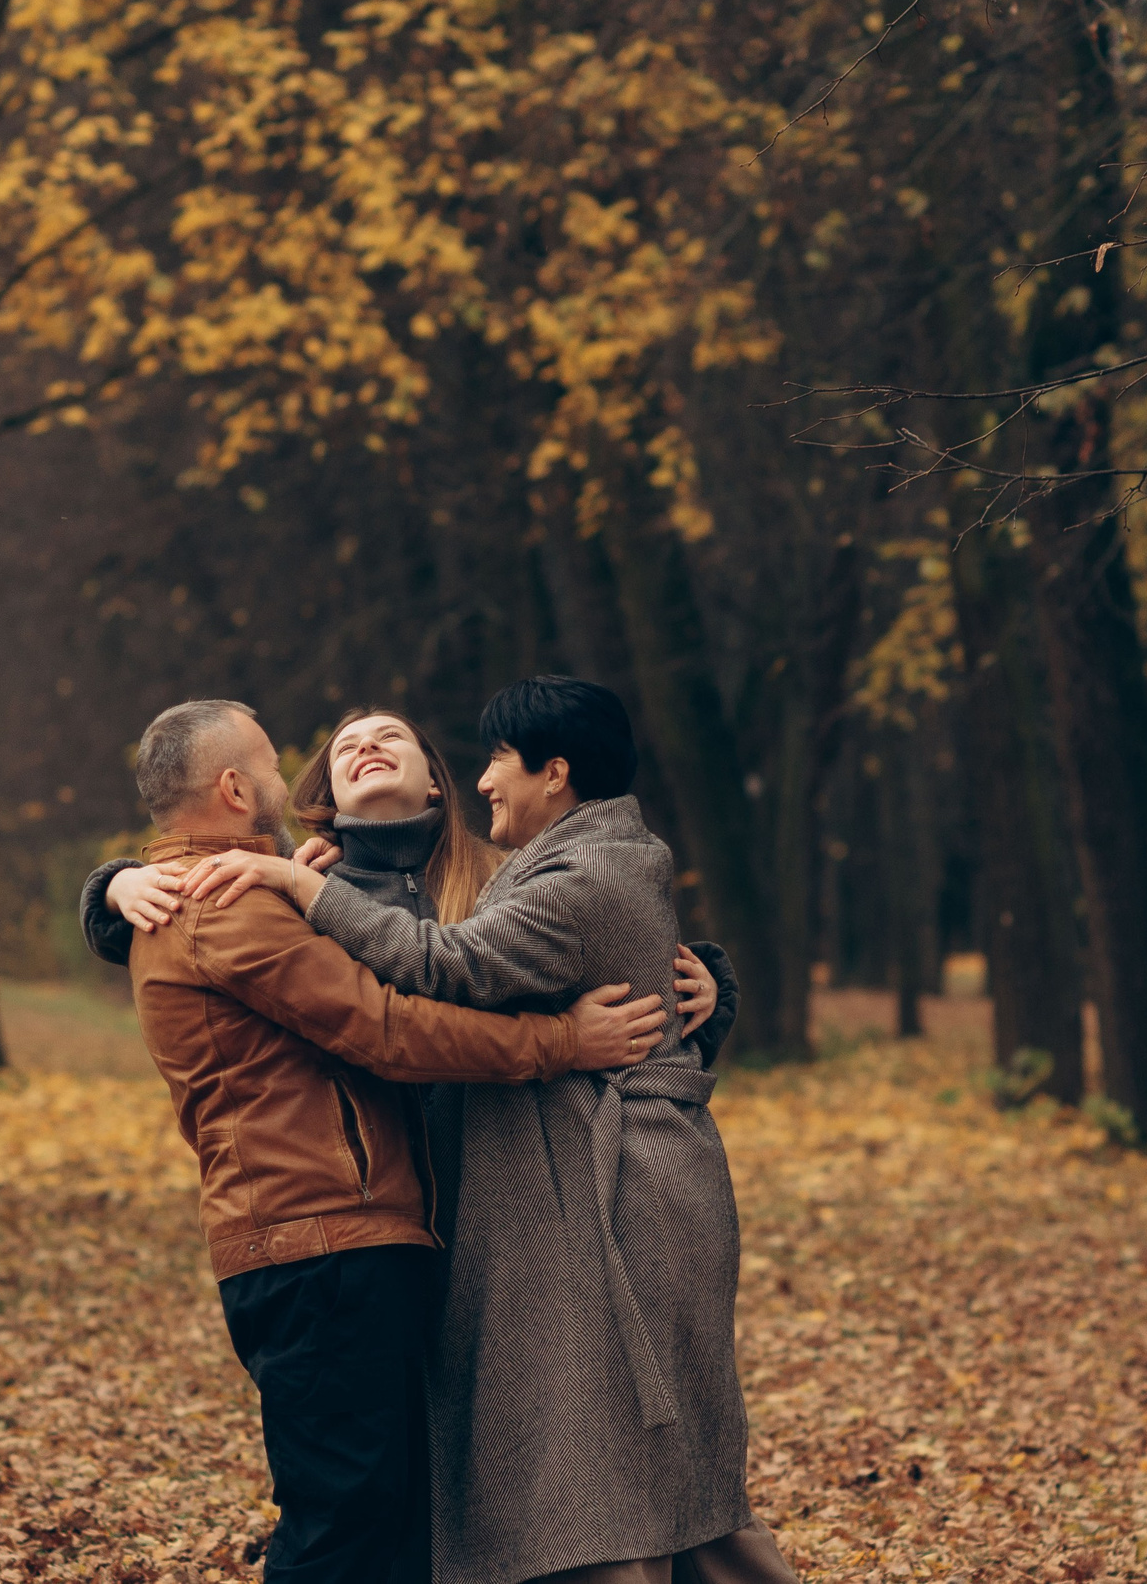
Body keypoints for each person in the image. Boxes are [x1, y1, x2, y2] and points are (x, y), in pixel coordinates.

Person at [176, 678, 797, 1584]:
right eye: (345, 745)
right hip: (387, 1217)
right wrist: (117, 885)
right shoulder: (304, 879)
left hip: (528, 1208)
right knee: (465, 1477)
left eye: (395, 735)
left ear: (439, 786)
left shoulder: (491, 875)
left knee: (597, 1464)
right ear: (323, 792)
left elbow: (573, 946)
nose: (366, 745)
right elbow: (191, 906)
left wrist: (706, 984)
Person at [99, 698, 672, 1584]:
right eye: (277, 758)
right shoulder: (232, 901)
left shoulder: (306, 878)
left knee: (395, 1517)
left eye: (389, 736)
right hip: (325, 1235)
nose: (302, 774)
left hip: (418, 1226)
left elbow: (590, 929)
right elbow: (385, 1027)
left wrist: (705, 975)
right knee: (347, 1525)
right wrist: (559, 1042)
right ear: (234, 785)